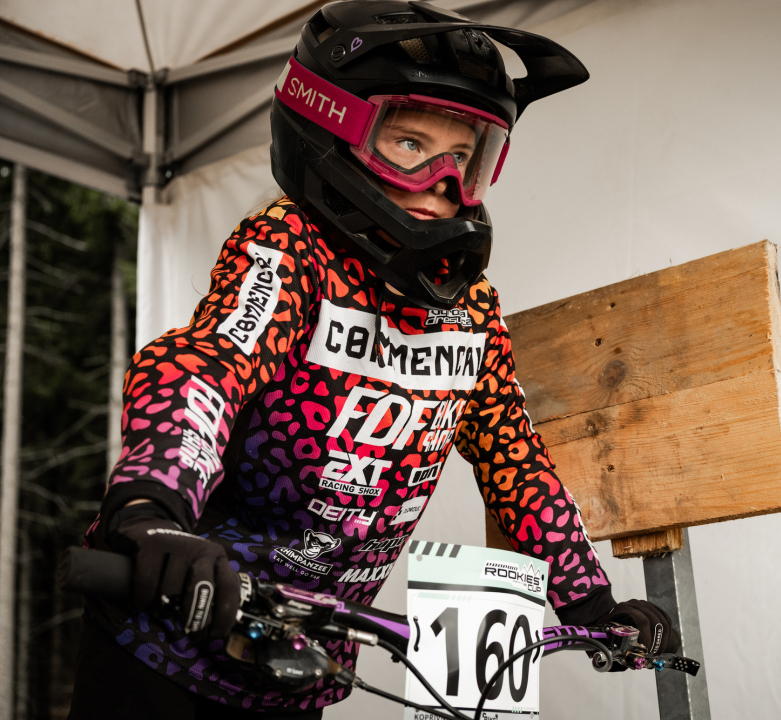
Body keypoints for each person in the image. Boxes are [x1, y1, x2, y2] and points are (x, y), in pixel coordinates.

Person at [68, 2, 677, 717]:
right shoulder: (292, 249)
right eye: (411, 144)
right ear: (329, 131)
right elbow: (204, 367)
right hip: (165, 645)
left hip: (299, 664)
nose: (444, 181)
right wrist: (151, 508)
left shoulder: (471, 309)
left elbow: (515, 460)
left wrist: (593, 604)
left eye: (466, 156)